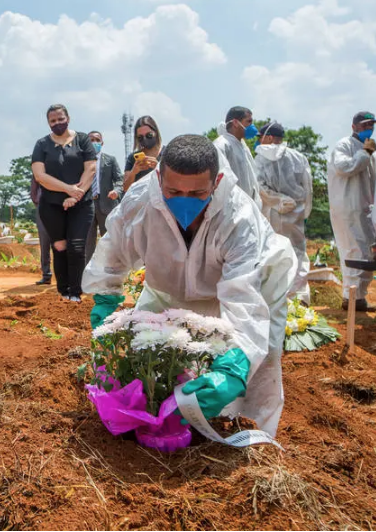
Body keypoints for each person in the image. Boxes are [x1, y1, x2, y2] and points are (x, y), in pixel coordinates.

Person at [83, 134, 296, 438]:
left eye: (197, 193)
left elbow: (243, 298)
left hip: (251, 288)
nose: (184, 200)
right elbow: (113, 253)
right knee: (148, 350)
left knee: (259, 363)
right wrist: (105, 297)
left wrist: (237, 364)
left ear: (217, 181)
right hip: (168, 287)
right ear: (159, 177)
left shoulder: (238, 218)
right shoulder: (140, 202)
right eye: (173, 190)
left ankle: (252, 437)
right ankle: (160, 422)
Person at [31, 104, 97, 302]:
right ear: (48, 123)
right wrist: (67, 189)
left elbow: (91, 169)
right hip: (51, 205)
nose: (57, 123)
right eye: (53, 121)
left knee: (77, 247)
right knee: (59, 247)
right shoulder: (41, 144)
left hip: (81, 204)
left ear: (68, 118)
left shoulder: (83, 140)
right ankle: (63, 291)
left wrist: (75, 195)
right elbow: (40, 176)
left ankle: (76, 292)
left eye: (60, 119)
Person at [327, 111, 376, 312]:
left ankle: (358, 298)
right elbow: (344, 167)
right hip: (348, 209)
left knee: (366, 253)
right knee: (353, 251)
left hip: (365, 210)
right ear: (354, 127)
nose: (369, 128)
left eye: (372, 125)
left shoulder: (371, 152)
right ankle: (350, 299)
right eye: (365, 124)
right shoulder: (345, 146)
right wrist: (364, 154)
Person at [254, 122, 313, 304]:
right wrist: (304, 210)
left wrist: (277, 200)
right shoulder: (298, 157)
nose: (260, 141)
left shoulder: (261, 157)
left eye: (261, 137)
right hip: (295, 212)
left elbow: (259, 187)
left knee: (271, 253)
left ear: (270, 137)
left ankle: (275, 298)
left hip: (271, 211)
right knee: (297, 252)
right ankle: (299, 295)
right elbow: (308, 186)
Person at [85, 131, 123, 264]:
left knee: (108, 240)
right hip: (87, 205)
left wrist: (116, 191)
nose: (94, 142)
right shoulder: (81, 161)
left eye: (97, 140)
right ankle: (87, 275)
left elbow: (119, 179)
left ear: (102, 143)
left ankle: (109, 271)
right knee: (87, 243)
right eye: (91, 140)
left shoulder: (110, 160)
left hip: (107, 204)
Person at [213, 106, 262, 208]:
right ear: (235, 122)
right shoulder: (222, 145)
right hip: (231, 209)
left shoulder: (243, 147)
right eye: (248, 122)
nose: (252, 126)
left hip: (246, 207)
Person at [123, 116, 162, 193]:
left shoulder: (168, 154)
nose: (145, 139)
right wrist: (134, 172)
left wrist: (159, 169)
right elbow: (125, 188)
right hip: (141, 204)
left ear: (156, 133)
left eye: (149, 135)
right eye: (140, 137)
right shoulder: (132, 158)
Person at [30, 178, 52, 285]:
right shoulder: (38, 165)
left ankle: (64, 276)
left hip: (61, 206)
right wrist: (37, 200)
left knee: (61, 242)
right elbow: (34, 186)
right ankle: (46, 274)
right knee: (44, 241)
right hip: (42, 206)